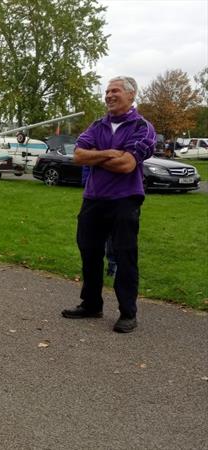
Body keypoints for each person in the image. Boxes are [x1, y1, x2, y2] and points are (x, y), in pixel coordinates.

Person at [63, 76, 155, 333]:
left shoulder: (142, 127)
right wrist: (110, 153)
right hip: (94, 199)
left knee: (125, 255)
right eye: (107, 91)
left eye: (115, 91)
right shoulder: (97, 125)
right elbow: (78, 156)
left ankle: (128, 312)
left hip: (125, 200)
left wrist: (96, 156)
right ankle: (91, 304)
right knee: (89, 252)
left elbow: (127, 165)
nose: (109, 95)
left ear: (131, 95)